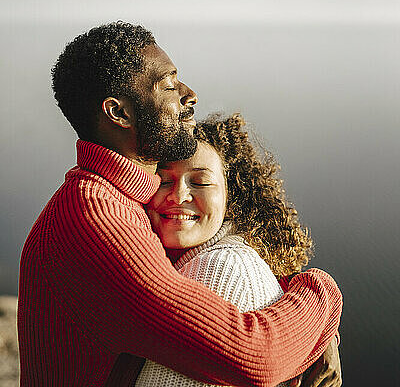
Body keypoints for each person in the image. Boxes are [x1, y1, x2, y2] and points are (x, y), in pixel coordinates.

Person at [18, 22, 342, 387]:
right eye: (170, 85)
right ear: (119, 113)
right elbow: (256, 356)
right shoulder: (95, 220)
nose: (190, 95)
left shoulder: (124, 196)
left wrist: (305, 317)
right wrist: (322, 295)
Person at [137, 112, 339, 386]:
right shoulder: (182, 259)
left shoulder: (222, 269)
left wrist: (324, 300)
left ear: (231, 195)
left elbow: (261, 355)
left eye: (201, 182)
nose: (178, 195)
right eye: (163, 181)